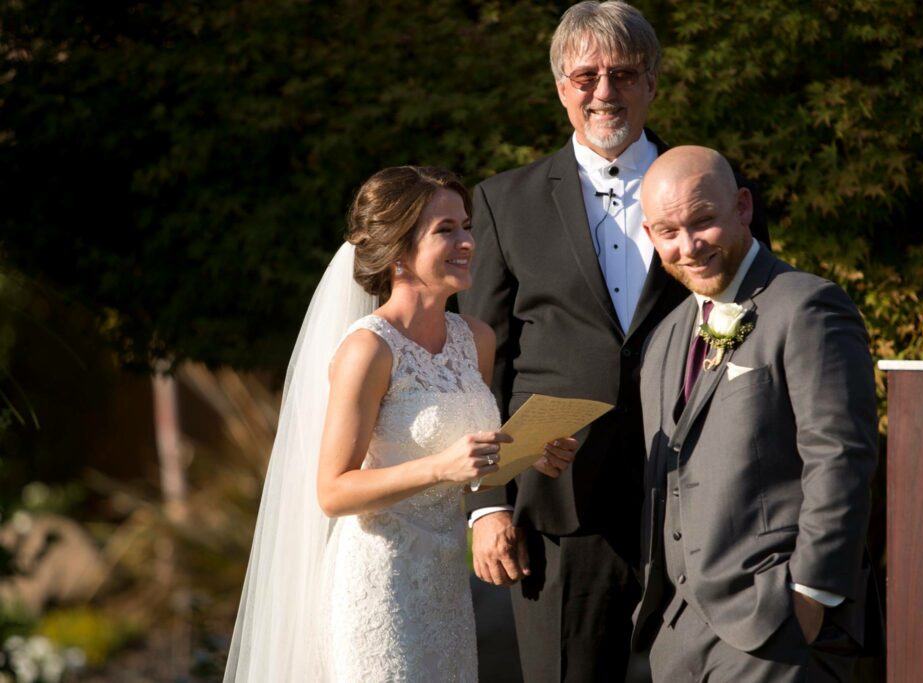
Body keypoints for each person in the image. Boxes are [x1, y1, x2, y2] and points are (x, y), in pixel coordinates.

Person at [457, 2, 770, 681]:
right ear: (560, 86)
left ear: (652, 81)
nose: (604, 92)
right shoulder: (501, 202)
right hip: (561, 505)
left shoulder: (716, 184)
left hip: (701, 495)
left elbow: (757, 324)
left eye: (623, 74)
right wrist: (485, 501)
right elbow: (481, 365)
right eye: (586, 75)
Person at [223, 166, 577, 682]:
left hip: (444, 589)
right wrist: (440, 467)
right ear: (398, 253)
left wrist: (527, 453)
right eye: (446, 231)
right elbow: (334, 491)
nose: (467, 242)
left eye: (466, 226)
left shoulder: (474, 338)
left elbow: (470, 457)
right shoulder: (368, 349)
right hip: (378, 586)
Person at [633, 146, 882, 681]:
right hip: (677, 637)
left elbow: (840, 455)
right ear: (651, 235)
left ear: (742, 208)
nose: (689, 247)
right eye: (668, 232)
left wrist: (810, 593)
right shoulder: (664, 338)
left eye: (703, 222)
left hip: (777, 625)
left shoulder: (809, 306)